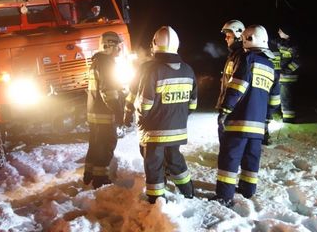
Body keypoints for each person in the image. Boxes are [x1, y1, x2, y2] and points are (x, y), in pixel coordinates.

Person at [213, 25, 280, 207]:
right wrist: (266, 119)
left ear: (247, 39)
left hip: (239, 121)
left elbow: (237, 86)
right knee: (252, 158)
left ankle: (224, 196)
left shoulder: (247, 59)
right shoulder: (270, 66)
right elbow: (274, 99)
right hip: (258, 125)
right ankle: (247, 190)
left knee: (230, 157)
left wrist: (225, 109)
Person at [129, 26, 198, 204]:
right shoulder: (188, 70)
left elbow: (144, 104)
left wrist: (137, 115)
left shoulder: (151, 70)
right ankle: (188, 190)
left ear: (154, 44)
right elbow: (193, 104)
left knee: (153, 164)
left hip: (154, 131)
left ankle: (156, 198)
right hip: (178, 130)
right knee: (175, 159)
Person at [83, 31, 125, 189]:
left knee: (95, 144)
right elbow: (109, 92)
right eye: (117, 46)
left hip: (94, 113)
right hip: (104, 114)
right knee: (106, 145)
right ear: (109, 45)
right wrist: (119, 112)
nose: (119, 49)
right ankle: (100, 181)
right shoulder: (107, 63)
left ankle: (89, 174)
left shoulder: (97, 61)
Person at [216, 20, 245, 140]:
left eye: (228, 36)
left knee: (230, 139)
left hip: (234, 108)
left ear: (238, 37)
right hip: (229, 106)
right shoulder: (233, 55)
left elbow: (238, 85)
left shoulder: (241, 56)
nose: (225, 39)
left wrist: (226, 109)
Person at [277, 26, 300, 123]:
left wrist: (286, 70)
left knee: (286, 98)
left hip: (289, 77)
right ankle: (286, 116)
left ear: (286, 33)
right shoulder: (282, 43)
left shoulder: (294, 46)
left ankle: (289, 119)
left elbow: (298, 61)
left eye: (281, 30)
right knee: (283, 97)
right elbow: (272, 41)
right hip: (283, 76)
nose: (278, 32)